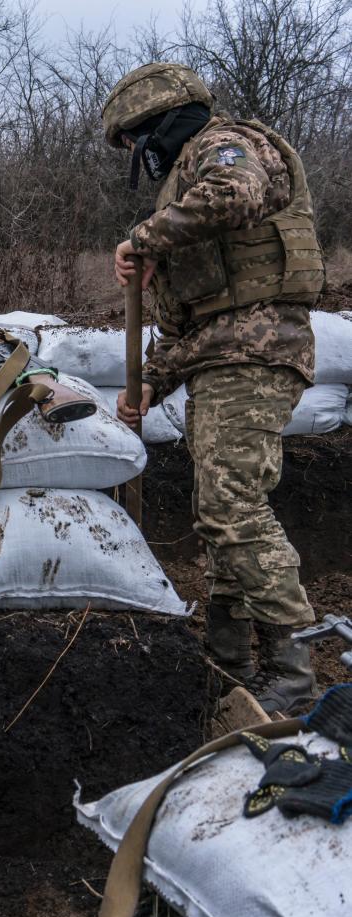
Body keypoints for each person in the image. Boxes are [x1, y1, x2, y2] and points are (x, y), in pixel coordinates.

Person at [104, 63, 326, 715]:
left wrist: (144, 237)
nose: (137, 161)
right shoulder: (185, 185)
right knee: (218, 512)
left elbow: (239, 192)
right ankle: (229, 660)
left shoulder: (225, 147)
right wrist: (148, 383)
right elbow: (200, 319)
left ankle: (292, 671)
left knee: (233, 507)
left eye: (134, 146)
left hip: (257, 357)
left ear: (154, 129)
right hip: (220, 361)